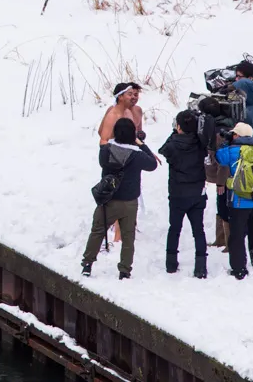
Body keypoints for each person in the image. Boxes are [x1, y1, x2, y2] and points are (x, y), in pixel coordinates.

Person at [81, 118, 158, 280]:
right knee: (128, 236)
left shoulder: (106, 150)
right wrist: (141, 144)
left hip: (109, 200)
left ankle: (87, 264)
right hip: (130, 202)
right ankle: (125, 270)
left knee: (97, 231)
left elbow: (103, 163)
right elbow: (152, 164)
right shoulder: (137, 155)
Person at [215, 122, 253, 279]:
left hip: (239, 201)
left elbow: (219, 157)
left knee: (237, 235)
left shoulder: (231, 152)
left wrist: (226, 142)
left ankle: (239, 268)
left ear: (236, 135)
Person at [158, 110, 208, 278]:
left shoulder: (173, 145)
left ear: (178, 126)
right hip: (197, 192)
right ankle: (201, 266)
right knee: (198, 230)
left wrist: (174, 134)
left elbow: (163, 150)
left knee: (175, 228)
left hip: (178, 193)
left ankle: (171, 263)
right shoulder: (200, 143)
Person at [98, 83, 146, 242]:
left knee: (132, 191)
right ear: (121, 96)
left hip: (132, 156)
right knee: (118, 193)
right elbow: (102, 136)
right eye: (130, 94)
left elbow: (137, 134)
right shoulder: (114, 113)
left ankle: (130, 224)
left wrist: (143, 146)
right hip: (117, 157)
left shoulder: (137, 111)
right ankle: (117, 233)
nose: (134, 97)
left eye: (136, 94)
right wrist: (111, 155)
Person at [197, 96, 234, 249]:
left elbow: (223, 162)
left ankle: (228, 243)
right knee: (222, 205)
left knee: (225, 207)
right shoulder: (227, 125)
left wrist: (220, 182)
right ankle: (221, 240)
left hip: (225, 178)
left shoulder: (218, 134)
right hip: (226, 176)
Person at [232, 60, 253, 140]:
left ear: (250, 78)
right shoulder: (243, 102)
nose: (236, 79)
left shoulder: (249, 110)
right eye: (236, 76)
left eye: (239, 77)